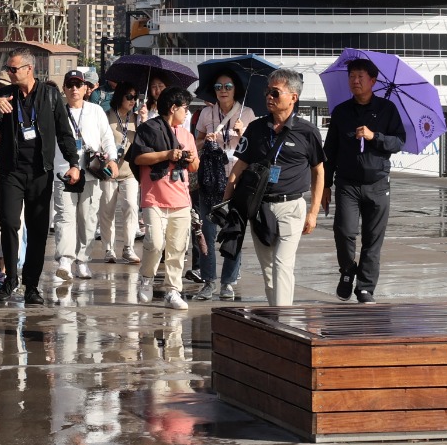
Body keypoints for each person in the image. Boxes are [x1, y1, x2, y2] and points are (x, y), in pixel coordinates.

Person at [0, 49, 80, 305]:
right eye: (9, 70)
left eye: (13, 69)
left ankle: (31, 285)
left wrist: (74, 163)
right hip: (11, 171)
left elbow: (64, 132)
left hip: (40, 172)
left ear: (29, 69)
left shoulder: (50, 95)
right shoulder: (3, 95)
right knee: (10, 223)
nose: (9, 73)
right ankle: (11, 279)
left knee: (37, 230)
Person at [225, 68, 324, 307]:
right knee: (268, 270)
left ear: (293, 97)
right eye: (267, 92)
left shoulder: (308, 132)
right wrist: (227, 201)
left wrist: (313, 212)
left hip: (291, 207)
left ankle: (284, 322)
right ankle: (276, 317)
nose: (269, 97)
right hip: (259, 209)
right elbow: (240, 166)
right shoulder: (257, 128)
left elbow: (319, 171)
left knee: (282, 263)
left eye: (276, 93)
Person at [321, 57, 406, 303]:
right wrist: (325, 185)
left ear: (372, 81)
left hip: (378, 184)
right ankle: (347, 271)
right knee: (344, 232)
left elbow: (399, 142)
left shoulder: (387, 110)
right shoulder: (341, 112)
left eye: (360, 77)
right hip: (347, 184)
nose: (355, 81)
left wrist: (374, 136)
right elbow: (331, 151)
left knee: (373, 239)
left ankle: (365, 287)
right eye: (351, 77)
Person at [128, 87, 198, 311]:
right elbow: (138, 157)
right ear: (173, 108)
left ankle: (172, 290)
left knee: (178, 248)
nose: (187, 113)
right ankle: (146, 278)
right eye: (185, 108)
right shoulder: (149, 128)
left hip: (181, 199)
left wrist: (189, 157)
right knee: (155, 244)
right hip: (154, 197)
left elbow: (195, 166)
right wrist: (167, 154)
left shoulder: (186, 135)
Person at [189, 68, 256, 300]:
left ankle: (228, 281)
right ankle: (208, 281)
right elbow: (194, 143)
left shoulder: (247, 113)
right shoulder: (207, 114)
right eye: (218, 87)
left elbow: (255, 148)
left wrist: (244, 131)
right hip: (210, 180)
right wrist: (204, 141)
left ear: (236, 89)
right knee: (206, 233)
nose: (223, 91)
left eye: (228, 86)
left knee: (233, 232)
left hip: (237, 181)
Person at [54, 69, 116, 285]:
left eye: (78, 85)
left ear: (86, 89)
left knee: (88, 219)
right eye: (69, 85)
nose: (74, 89)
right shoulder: (57, 110)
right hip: (63, 171)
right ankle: (65, 259)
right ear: (64, 89)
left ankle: (82, 259)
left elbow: (107, 137)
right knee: (64, 217)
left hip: (90, 171)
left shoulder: (96, 111)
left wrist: (113, 159)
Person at [98, 84, 142, 266]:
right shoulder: (107, 116)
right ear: (119, 97)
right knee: (107, 210)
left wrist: (143, 123)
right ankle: (109, 248)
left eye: (135, 98)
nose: (133, 101)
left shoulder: (138, 118)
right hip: (109, 171)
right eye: (129, 97)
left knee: (131, 206)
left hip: (129, 171)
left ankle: (128, 247)